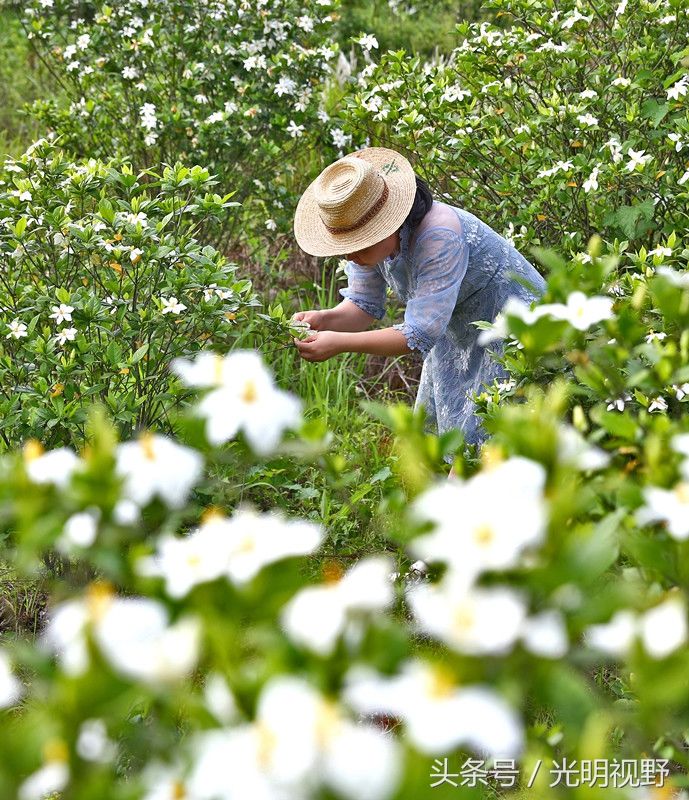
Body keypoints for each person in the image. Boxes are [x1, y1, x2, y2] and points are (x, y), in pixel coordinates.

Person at [291, 146, 547, 468]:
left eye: (356, 243)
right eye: (344, 244)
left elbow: (417, 336)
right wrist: (325, 320)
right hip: (459, 333)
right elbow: (363, 306)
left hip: (516, 331)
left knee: (481, 454)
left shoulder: (439, 234)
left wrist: (339, 344)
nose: (348, 255)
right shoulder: (369, 247)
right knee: (434, 452)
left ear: (385, 224)